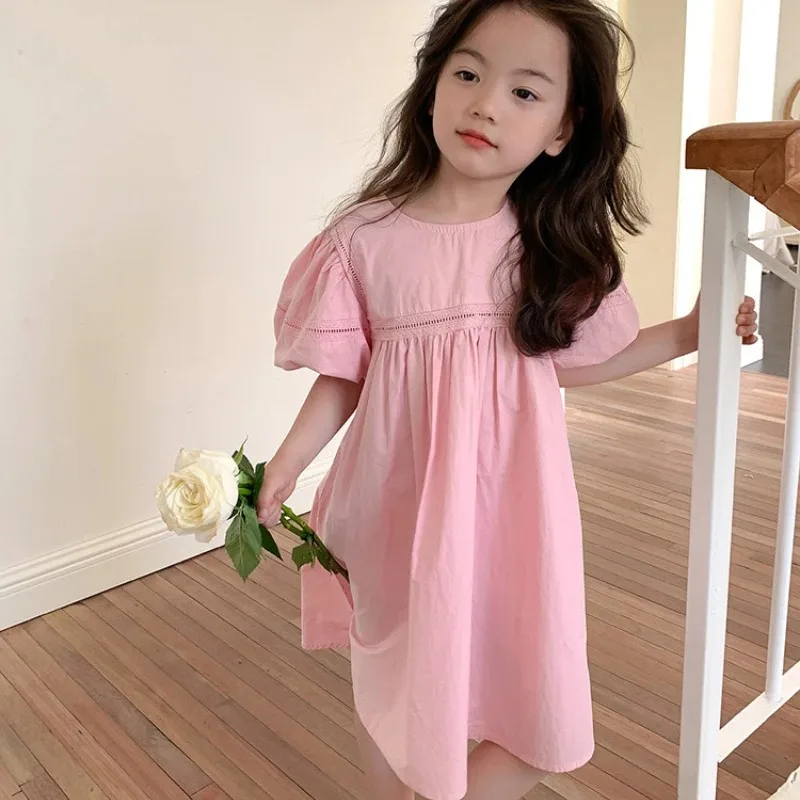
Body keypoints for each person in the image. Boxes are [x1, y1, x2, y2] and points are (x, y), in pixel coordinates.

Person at [256, 1, 759, 798]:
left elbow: (572, 365)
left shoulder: (545, 248)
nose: (487, 103)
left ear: (562, 130)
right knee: (397, 685)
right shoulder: (364, 239)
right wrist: (288, 462)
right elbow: (347, 373)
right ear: (432, 87)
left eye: (525, 92)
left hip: (514, 513)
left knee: (539, 719)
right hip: (396, 510)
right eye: (468, 73)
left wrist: (689, 333)